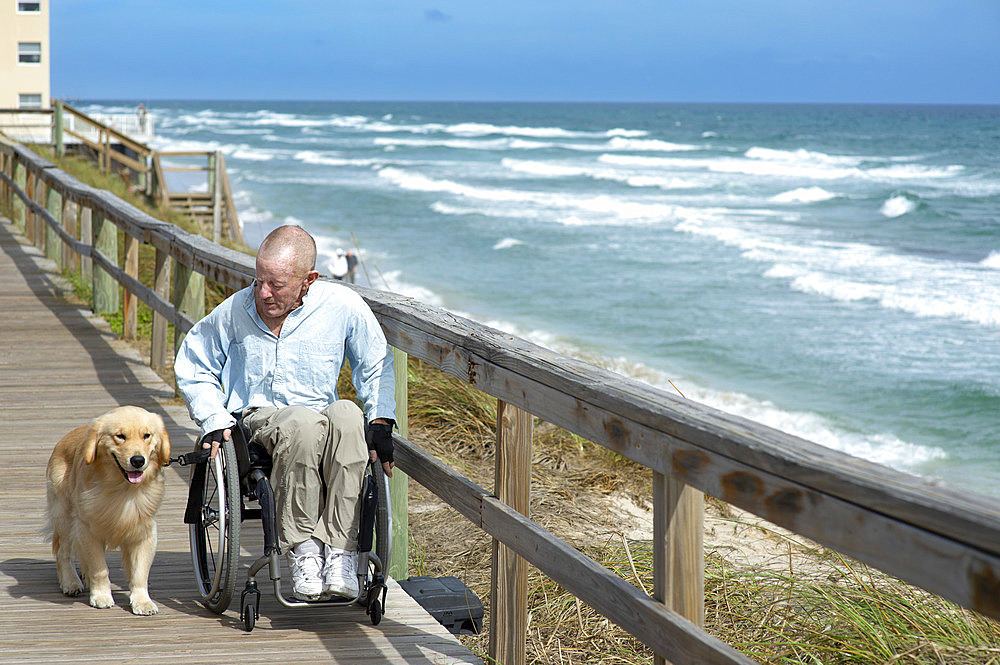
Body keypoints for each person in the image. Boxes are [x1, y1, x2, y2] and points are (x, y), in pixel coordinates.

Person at [174, 224, 396, 601]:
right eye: (259, 280)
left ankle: (340, 551)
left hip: (321, 415)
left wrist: (380, 421)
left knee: (346, 415)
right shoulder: (235, 311)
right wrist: (213, 418)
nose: (263, 293)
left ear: (308, 279)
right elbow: (194, 364)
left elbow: (376, 364)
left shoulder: (341, 306)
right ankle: (305, 549)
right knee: (303, 422)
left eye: (276, 284)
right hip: (259, 419)